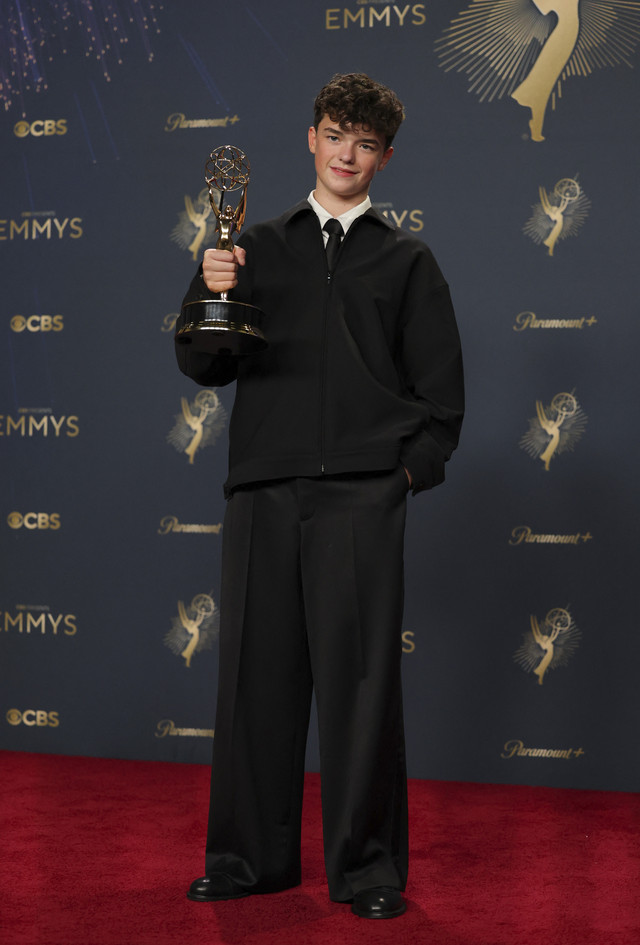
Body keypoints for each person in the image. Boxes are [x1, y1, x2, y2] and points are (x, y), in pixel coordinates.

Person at [175, 72, 464, 919]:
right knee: (253, 684)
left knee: (363, 687)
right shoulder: (252, 245)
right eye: (336, 134)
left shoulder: (408, 259)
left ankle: (367, 868)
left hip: (361, 502)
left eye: (366, 143)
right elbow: (202, 362)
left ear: (385, 158)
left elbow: (442, 403)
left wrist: (399, 477)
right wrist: (209, 287)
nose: (348, 154)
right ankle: (245, 859)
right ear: (311, 138)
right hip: (263, 491)